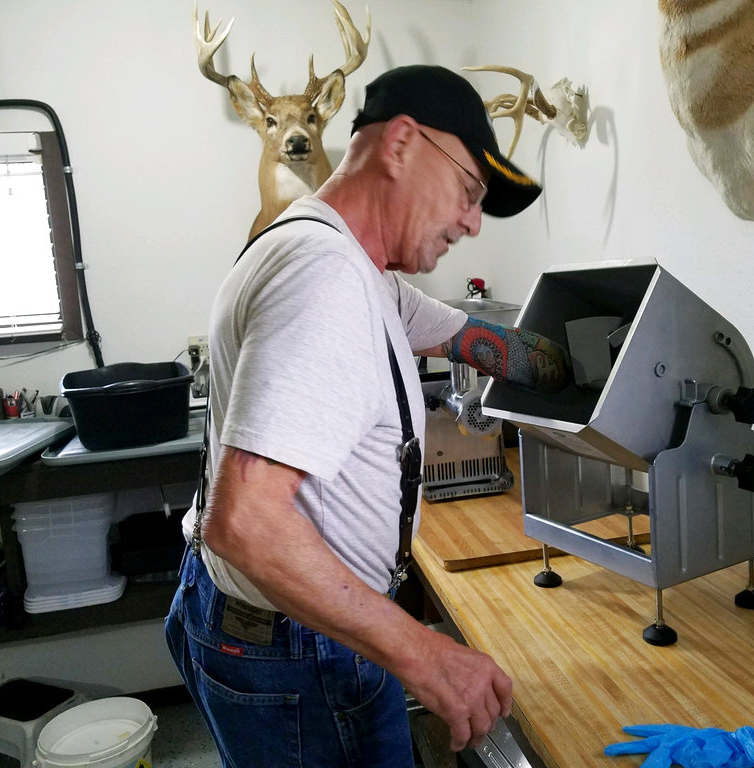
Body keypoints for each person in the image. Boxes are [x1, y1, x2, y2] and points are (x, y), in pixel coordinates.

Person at [165, 64, 570, 768]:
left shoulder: (349, 263)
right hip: (302, 653)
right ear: (402, 144)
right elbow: (247, 522)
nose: (472, 224)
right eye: (470, 194)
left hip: (270, 628)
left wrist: (582, 368)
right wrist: (427, 656)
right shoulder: (324, 279)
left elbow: (468, 337)